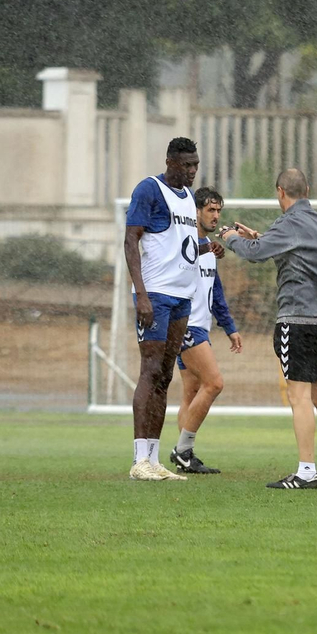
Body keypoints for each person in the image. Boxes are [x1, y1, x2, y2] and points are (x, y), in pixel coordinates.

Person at [221, 168, 317, 489]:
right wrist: (259, 236)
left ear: (280, 192)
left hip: (296, 319)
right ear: (308, 188)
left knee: (298, 396)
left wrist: (233, 240)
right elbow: (286, 247)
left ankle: (304, 472)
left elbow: (257, 255)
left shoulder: (288, 223)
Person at [123, 138, 208, 481]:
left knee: (166, 375)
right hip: (155, 295)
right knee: (150, 368)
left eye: (195, 166)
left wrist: (206, 246)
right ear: (170, 162)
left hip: (182, 298)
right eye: (186, 165)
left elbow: (180, 246)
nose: (191, 172)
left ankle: (155, 460)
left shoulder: (188, 198)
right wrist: (141, 295)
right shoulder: (150, 189)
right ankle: (139, 459)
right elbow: (132, 240)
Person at [169, 186, 243, 475]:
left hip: (201, 327)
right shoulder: (184, 245)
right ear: (196, 212)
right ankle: (182, 450)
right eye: (210, 210)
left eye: (219, 211)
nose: (216, 216)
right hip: (186, 326)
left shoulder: (212, 250)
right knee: (214, 383)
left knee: (191, 391)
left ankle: (185, 455)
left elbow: (217, 294)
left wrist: (230, 328)